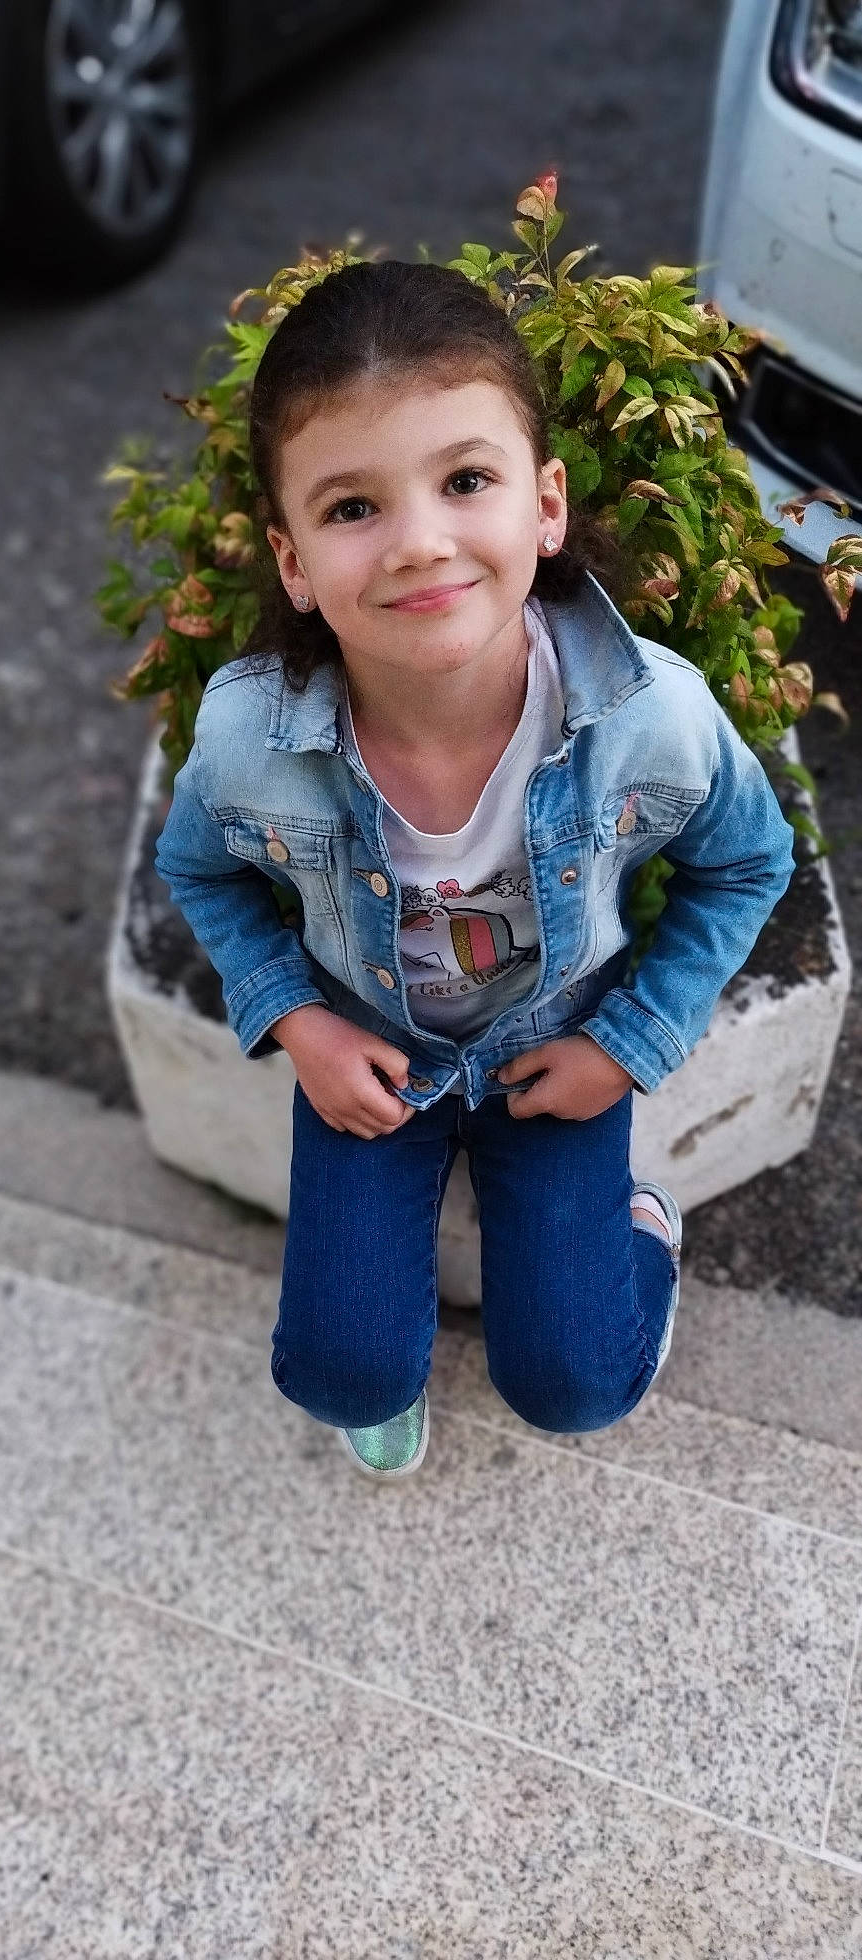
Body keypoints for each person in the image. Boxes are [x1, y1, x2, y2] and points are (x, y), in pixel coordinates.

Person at [154, 258, 796, 1482]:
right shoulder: (249, 739)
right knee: (338, 1371)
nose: (419, 542)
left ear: (544, 504)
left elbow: (748, 860)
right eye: (353, 508)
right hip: (372, 1056)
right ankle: (374, 1364)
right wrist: (299, 1022)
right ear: (293, 561)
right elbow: (202, 873)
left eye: (465, 480)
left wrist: (633, 1042)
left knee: (576, 1385)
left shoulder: (652, 715)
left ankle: (642, 1230)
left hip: (556, 1051)